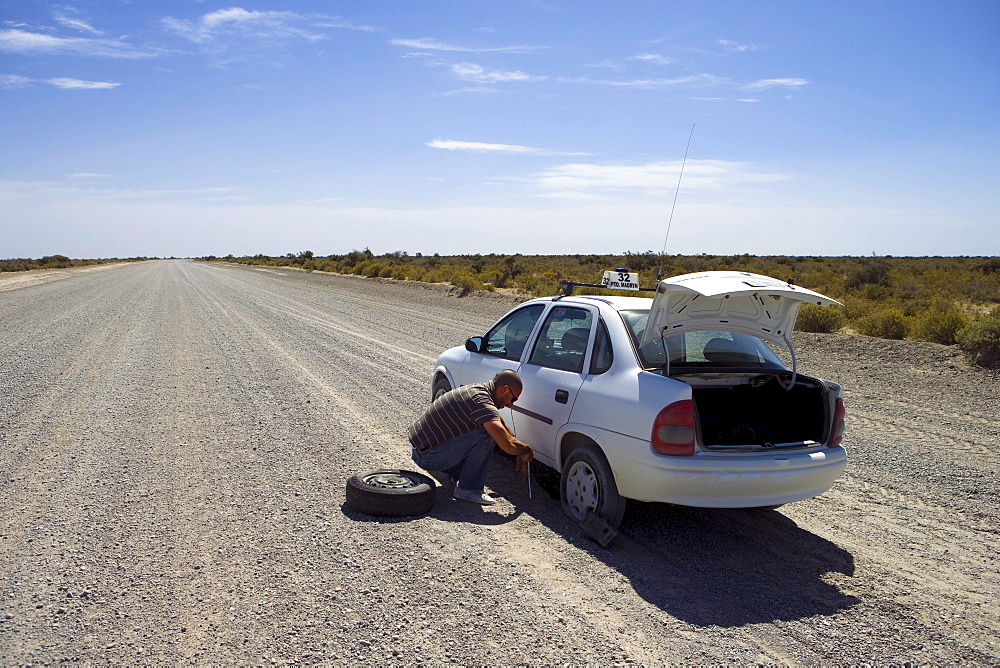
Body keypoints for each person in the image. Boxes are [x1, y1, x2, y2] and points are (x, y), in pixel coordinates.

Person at [408, 369, 534, 505]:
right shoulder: (482, 403)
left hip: (422, 449)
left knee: (489, 429)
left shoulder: (479, 391)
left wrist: (516, 443)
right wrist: (526, 451)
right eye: (513, 399)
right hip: (427, 455)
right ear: (504, 390)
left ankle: (450, 474)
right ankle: (467, 489)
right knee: (487, 434)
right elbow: (507, 445)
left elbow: (501, 424)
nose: (511, 404)